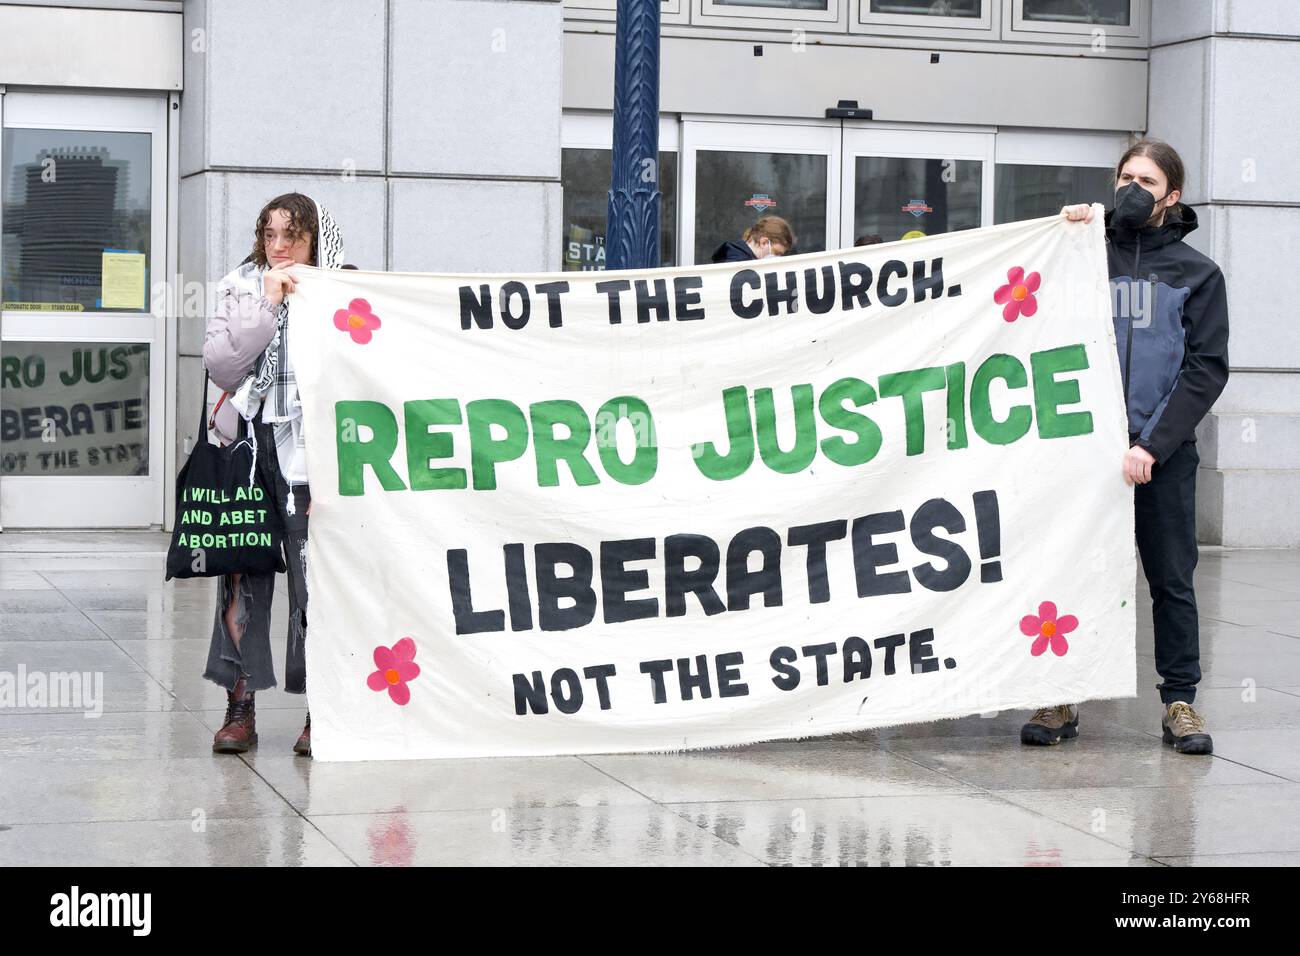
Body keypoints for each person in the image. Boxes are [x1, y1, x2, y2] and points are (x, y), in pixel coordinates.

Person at [1021, 139, 1229, 755]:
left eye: (1147, 179)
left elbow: (1207, 368)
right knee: (1073, 571)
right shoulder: (1082, 256)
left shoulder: (1198, 274)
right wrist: (1063, 232)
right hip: (1083, 452)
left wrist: (1154, 444)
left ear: (1172, 195)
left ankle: (1180, 701)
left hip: (1160, 456)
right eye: (1125, 177)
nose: (1133, 188)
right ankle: (1060, 693)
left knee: (1171, 578)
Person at [201, 192, 347, 756]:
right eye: (269, 235)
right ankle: (241, 705)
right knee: (241, 576)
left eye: (294, 236)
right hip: (248, 451)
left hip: (314, 458)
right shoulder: (240, 286)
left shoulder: (343, 291)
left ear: (316, 241)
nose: (279, 247)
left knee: (320, 586)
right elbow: (221, 365)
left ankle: (323, 709)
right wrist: (265, 304)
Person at [711, 215, 794, 263]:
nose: (777, 258)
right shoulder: (738, 264)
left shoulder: (734, 257)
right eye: (776, 253)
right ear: (764, 242)